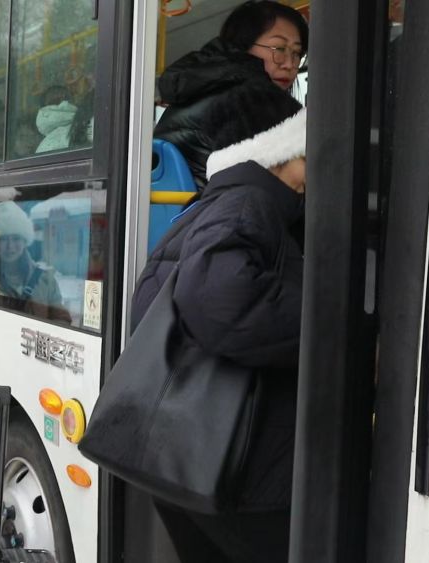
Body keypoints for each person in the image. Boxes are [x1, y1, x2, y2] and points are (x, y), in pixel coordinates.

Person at [131, 103, 307, 563]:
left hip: (188, 458)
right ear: (282, 153)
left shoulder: (211, 204)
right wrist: (340, 328)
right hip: (238, 470)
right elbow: (219, 302)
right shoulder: (251, 202)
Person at [154, 0, 308, 186]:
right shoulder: (252, 99)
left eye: (296, 53)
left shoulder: (199, 89)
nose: (289, 64)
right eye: (279, 49)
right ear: (243, 46)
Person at [0, 201, 70, 322]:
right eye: (3, 240)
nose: (10, 246)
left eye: (16, 239)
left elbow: (61, 318)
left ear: (25, 241)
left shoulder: (45, 280)